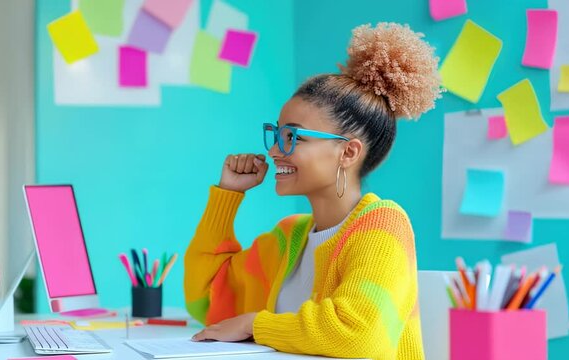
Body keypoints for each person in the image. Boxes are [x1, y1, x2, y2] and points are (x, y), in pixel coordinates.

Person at [185, 22, 442, 360]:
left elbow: (359, 335)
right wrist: (227, 196)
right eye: (276, 135)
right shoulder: (289, 237)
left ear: (347, 152)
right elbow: (205, 298)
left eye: (293, 137)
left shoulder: (382, 227)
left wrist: (256, 325)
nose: (275, 151)